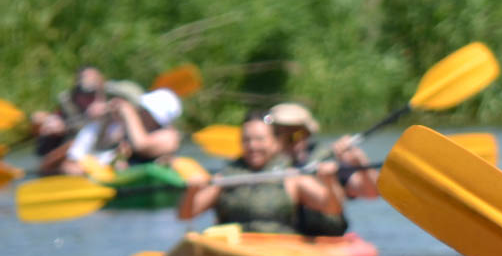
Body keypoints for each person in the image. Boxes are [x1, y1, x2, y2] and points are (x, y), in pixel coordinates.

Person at [175, 113, 350, 236]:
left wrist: (329, 181)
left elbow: (332, 208)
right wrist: (192, 191)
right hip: (233, 247)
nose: (252, 146)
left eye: (260, 139)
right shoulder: (226, 178)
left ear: (275, 143)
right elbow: (186, 215)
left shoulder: (292, 177)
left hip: (278, 247)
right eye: (247, 140)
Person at [45, 87, 182, 175]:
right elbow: (99, 147)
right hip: (116, 174)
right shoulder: (130, 128)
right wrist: (104, 119)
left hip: (148, 180)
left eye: (145, 111)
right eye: (141, 109)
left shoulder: (170, 137)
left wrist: (128, 113)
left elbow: (141, 145)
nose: (140, 112)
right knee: (68, 167)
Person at [266, 101, 378, 200]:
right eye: (279, 134)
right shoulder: (261, 164)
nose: (292, 142)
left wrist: (359, 162)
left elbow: (370, 193)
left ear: (307, 134)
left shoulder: (326, 160)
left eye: (296, 135)